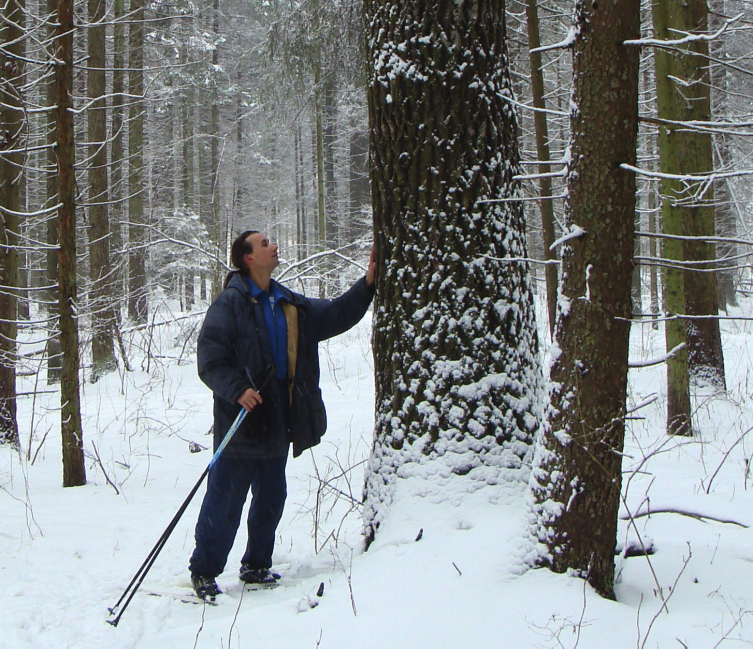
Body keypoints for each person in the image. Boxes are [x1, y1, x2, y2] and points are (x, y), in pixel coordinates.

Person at [188, 230, 376, 600]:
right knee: (224, 502)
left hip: (277, 419)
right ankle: (204, 571)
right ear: (249, 259)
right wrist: (238, 389)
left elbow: (335, 314)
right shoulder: (230, 303)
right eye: (264, 244)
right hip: (242, 420)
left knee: (272, 498)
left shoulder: (286, 302)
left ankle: (256, 565)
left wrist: (367, 284)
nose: (273, 246)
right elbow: (210, 359)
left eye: (271, 241)